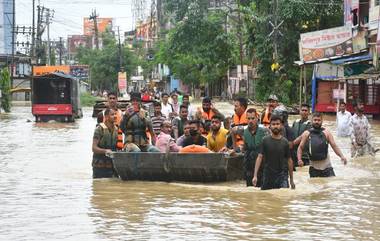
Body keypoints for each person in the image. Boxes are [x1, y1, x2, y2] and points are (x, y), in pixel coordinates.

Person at [297, 112, 347, 178]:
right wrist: (299, 159)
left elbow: (334, 146)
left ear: (322, 121)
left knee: (329, 187)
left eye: (319, 120)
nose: (317, 122)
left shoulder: (326, 132)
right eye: (315, 120)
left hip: (327, 168)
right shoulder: (306, 133)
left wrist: (342, 156)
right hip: (313, 168)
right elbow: (300, 147)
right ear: (312, 121)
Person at [252, 115, 295, 190]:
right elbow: (260, 157)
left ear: (281, 126)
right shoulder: (265, 140)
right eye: (273, 124)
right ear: (270, 126)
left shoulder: (285, 142)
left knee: (283, 195)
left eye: (277, 124)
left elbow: (289, 160)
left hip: (282, 176)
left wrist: (291, 180)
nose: (275, 126)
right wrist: (255, 176)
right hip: (268, 175)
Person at [242, 108, 268, 187]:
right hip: (249, 165)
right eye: (248, 118)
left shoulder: (264, 130)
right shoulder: (244, 130)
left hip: (262, 165)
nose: (250, 121)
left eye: (253, 118)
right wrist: (236, 147)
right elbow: (233, 131)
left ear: (257, 118)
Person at [92, 108, 118, 178]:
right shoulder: (99, 129)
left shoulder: (116, 129)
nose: (115, 116)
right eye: (112, 114)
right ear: (106, 117)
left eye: (115, 114)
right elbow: (94, 148)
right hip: (99, 166)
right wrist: (105, 151)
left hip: (112, 165)